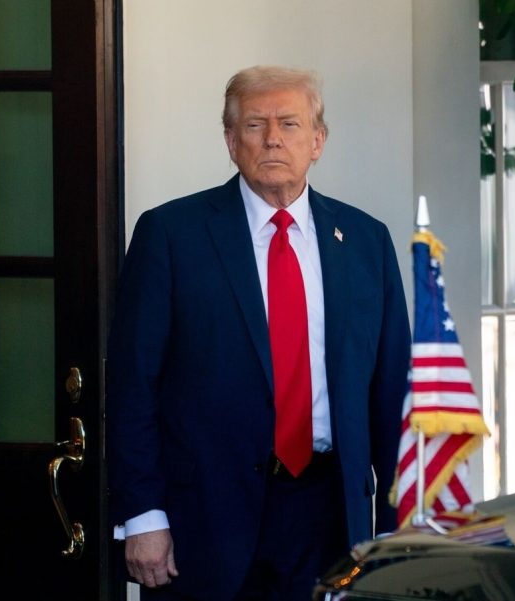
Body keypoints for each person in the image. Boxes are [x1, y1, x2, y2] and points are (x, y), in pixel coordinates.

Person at [106, 66, 411, 600]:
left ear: (318, 141)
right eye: (255, 124)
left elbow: (391, 396)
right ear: (230, 140)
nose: (273, 138)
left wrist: (397, 525)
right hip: (204, 520)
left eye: (290, 123)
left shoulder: (366, 241)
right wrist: (142, 515)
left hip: (330, 513)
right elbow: (134, 385)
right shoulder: (171, 235)